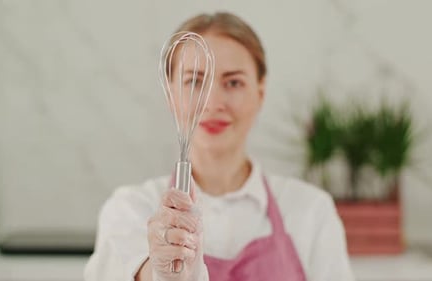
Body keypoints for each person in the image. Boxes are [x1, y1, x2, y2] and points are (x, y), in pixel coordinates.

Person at [84, 12, 355, 281]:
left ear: (260, 93)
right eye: (194, 81)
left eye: (233, 82)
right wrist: (162, 272)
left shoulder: (310, 211)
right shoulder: (131, 208)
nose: (212, 103)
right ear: (171, 93)